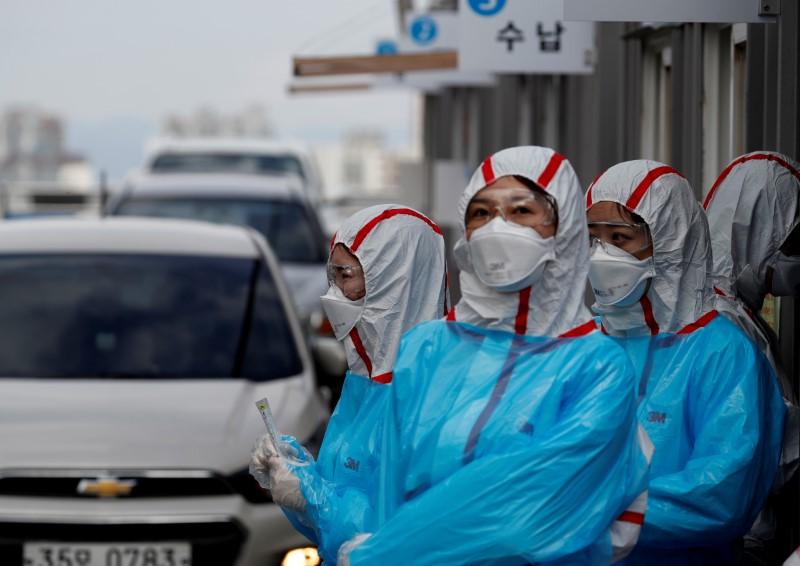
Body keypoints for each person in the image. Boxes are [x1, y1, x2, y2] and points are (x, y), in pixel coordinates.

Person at [338, 146, 651, 565]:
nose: (496, 228)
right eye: (481, 213)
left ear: (565, 227)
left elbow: (525, 518)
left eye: (521, 211)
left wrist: (381, 554)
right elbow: (389, 491)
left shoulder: (596, 366)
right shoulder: (427, 349)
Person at [584, 159, 785, 564]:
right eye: (594, 239)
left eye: (620, 238)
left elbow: (721, 496)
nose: (602, 255)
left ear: (670, 242)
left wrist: (598, 514)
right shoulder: (587, 344)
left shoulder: (722, 353)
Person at [250, 204, 448, 564]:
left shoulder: (434, 392)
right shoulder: (363, 383)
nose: (333, 294)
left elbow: (401, 533)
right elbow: (331, 530)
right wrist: (298, 474)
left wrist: (312, 494)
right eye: (332, 277)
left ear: (394, 277)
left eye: (346, 276)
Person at [703, 151, 800, 564]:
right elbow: (775, 450)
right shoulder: (726, 324)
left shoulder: (729, 311)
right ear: (757, 231)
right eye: (791, 243)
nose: (794, 259)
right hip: (739, 542)